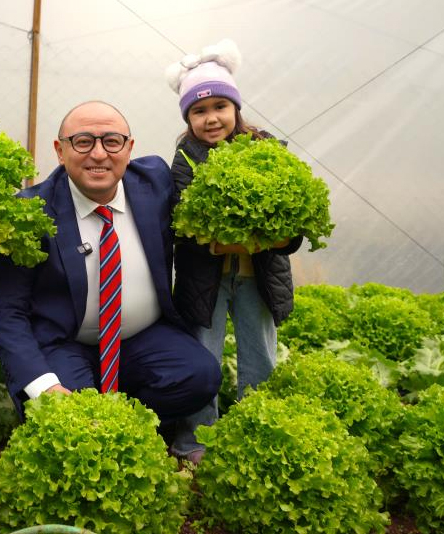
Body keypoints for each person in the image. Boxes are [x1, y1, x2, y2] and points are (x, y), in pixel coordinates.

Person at [0, 100, 221, 435]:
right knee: (68, 419)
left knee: (200, 375)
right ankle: (98, 425)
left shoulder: (156, 184)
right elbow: (6, 312)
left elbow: (209, 157)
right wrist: (43, 386)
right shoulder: (29, 214)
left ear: (129, 148)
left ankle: (128, 428)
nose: (99, 154)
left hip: (142, 339)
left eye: (112, 141)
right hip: (63, 343)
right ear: (59, 150)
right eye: (83, 141)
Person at [164, 40, 303, 462]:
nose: (211, 118)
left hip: (257, 277)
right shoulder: (186, 157)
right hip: (204, 280)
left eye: (220, 107)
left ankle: (255, 434)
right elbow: (186, 227)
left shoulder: (268, 149)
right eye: (199, 111)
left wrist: (243, 236)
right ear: (188, 117)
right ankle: (195, 441)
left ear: (236, 109)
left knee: (259, 355)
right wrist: (254, 234)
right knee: (203, 358)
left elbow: (291, 229)